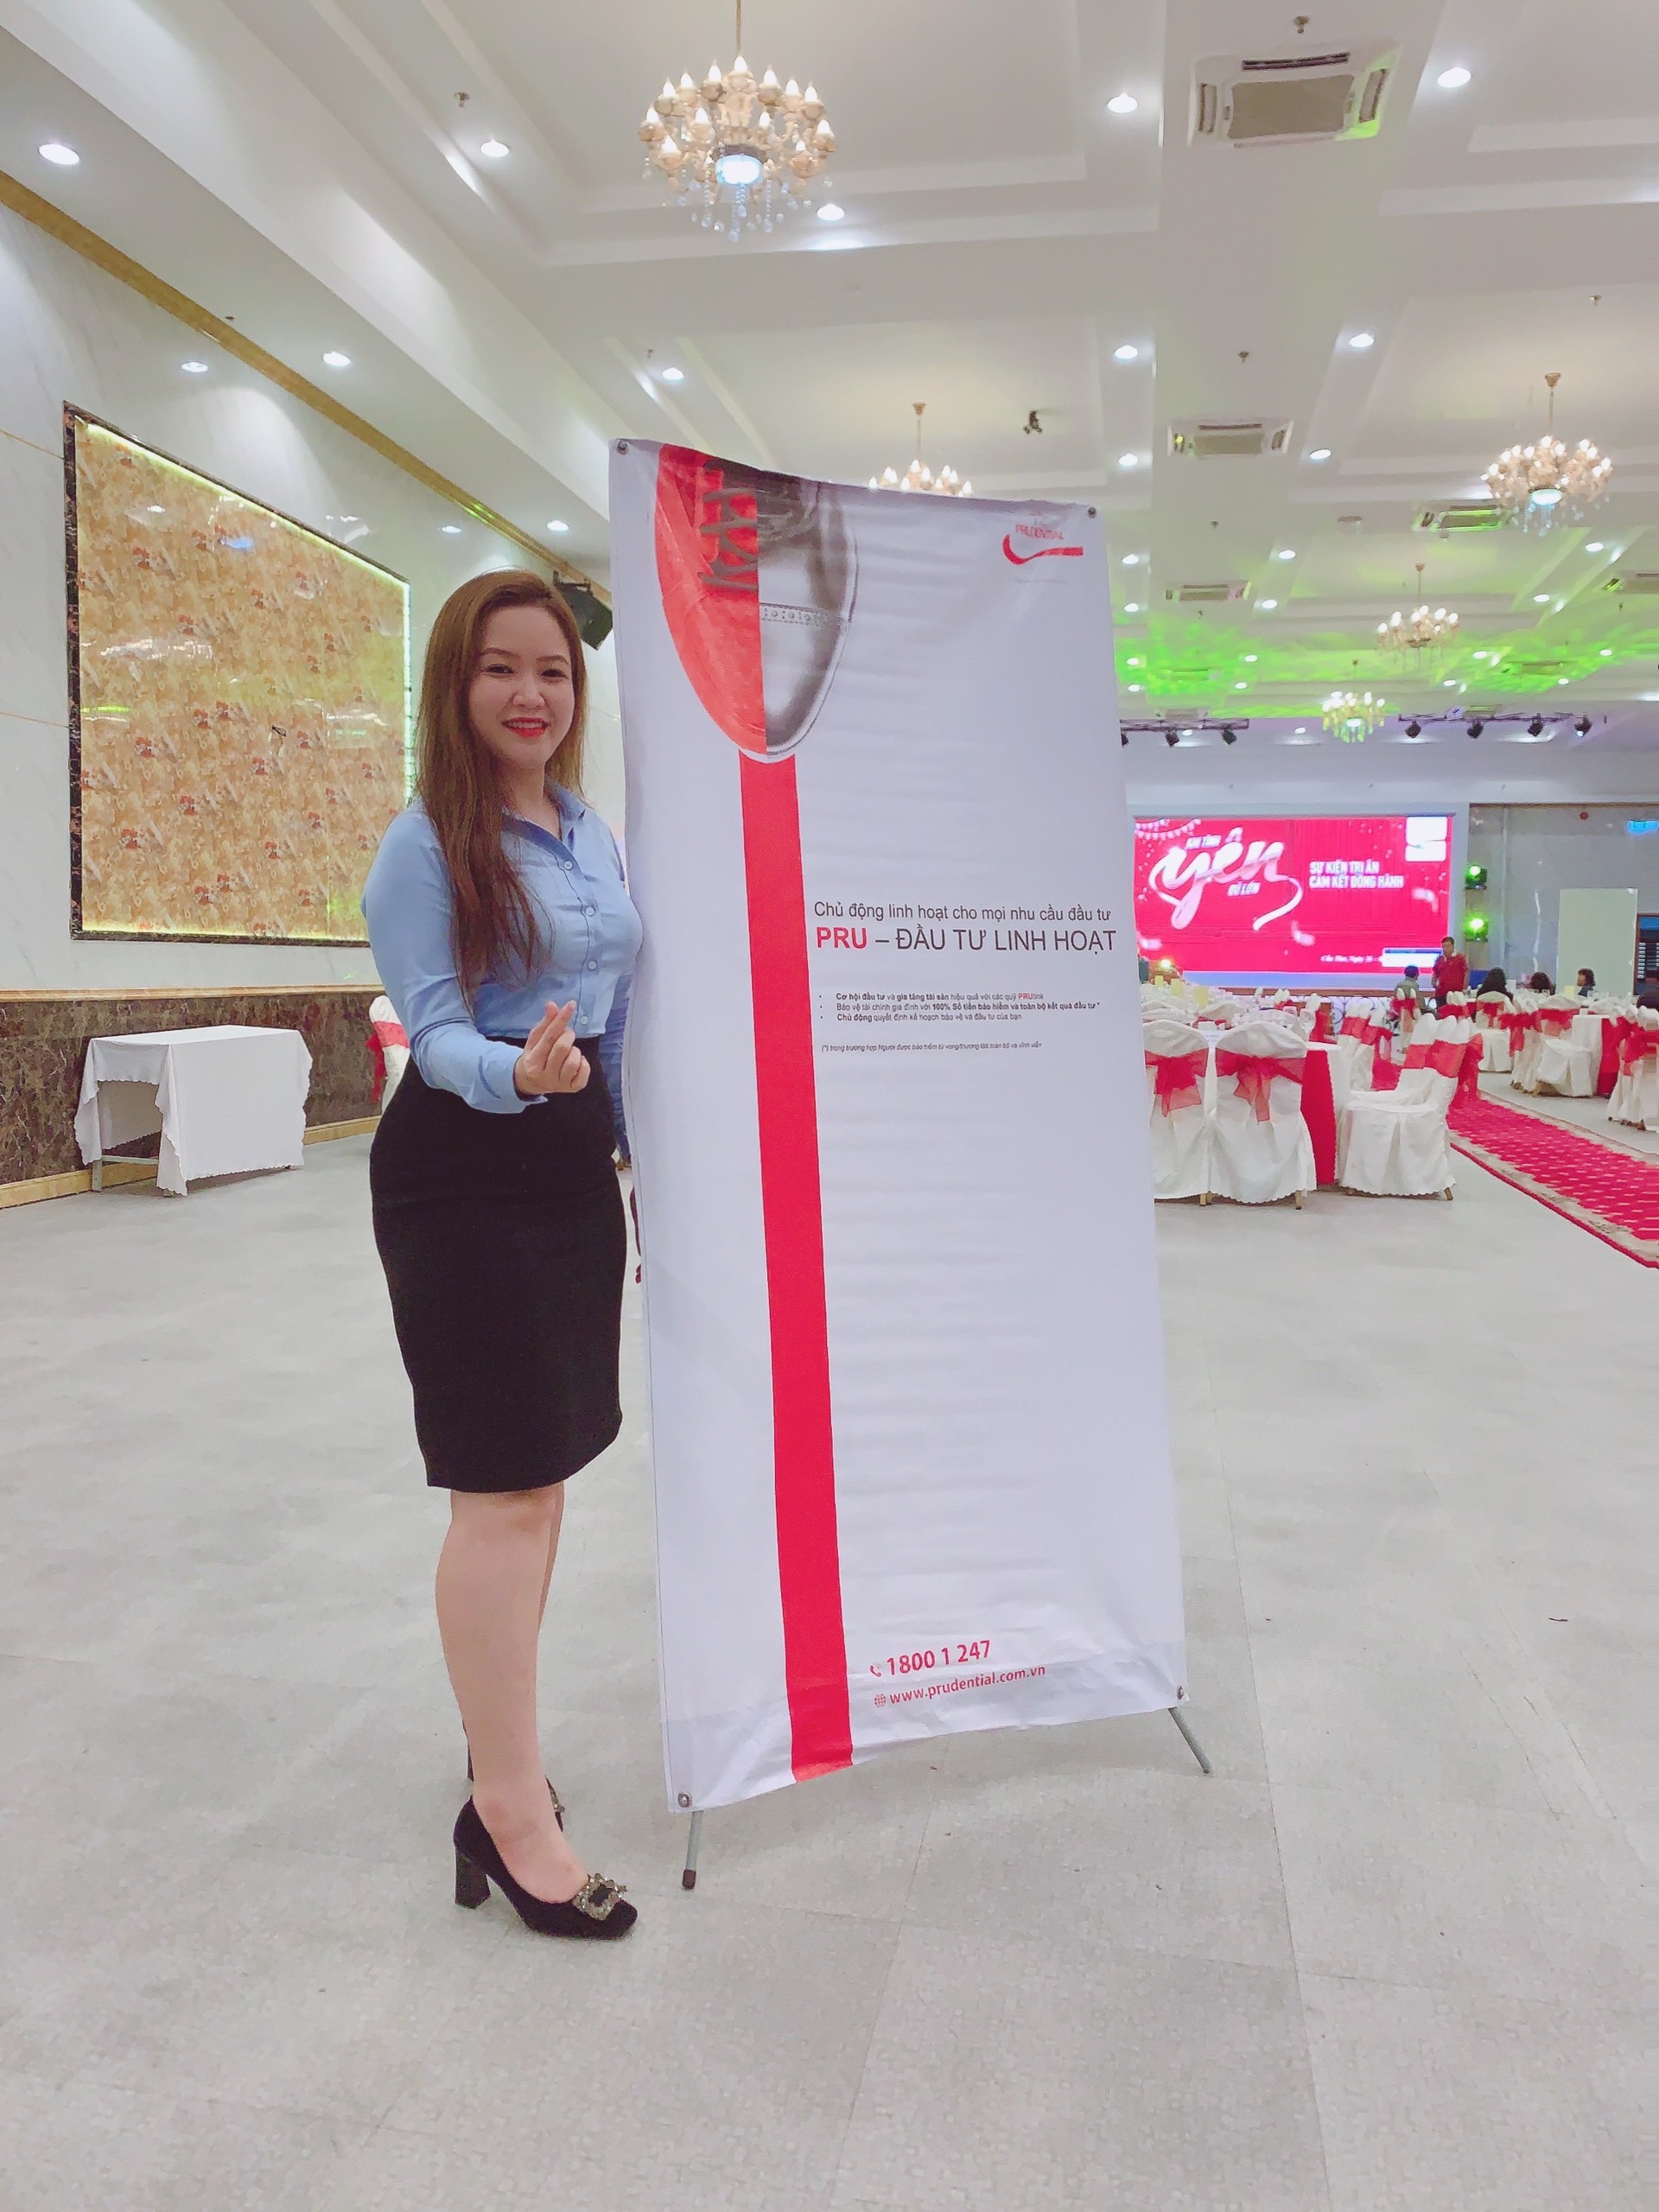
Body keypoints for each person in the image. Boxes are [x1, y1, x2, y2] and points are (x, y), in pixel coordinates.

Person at [364, 570, 642, 1942]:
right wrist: (517, 1077)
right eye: (500, 668)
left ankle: (502, 1759)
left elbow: (620, 1015)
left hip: (571, 1166)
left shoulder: (589, 832)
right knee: (502, 1491)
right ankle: (510, 1810)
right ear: (454, 685)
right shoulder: (424, 844)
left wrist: (638, 1155)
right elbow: (430, 1031)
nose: (532, 693)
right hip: (463, 1170)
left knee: (549, 1473)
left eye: (554, 671)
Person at [1432, 935, 1468, 1006]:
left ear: (1452, 946)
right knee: (1441, 1010)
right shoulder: (1440, 959)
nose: (1445, 949)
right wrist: (1434, 981)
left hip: (1456, 992)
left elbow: (1466, 973)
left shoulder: (1460, 958)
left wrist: (1464, 988)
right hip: (1441, 992)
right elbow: (1436, 972)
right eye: (1443, 946)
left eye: (1447, 946)